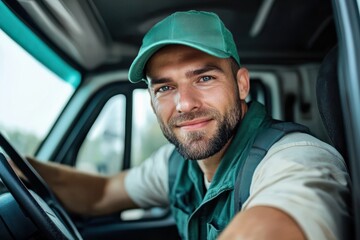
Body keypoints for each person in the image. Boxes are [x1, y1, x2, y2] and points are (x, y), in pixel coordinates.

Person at [24, 10, 351, 240]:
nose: (185, 104)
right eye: (165, 88)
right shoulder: (176, 164)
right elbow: (101, 194)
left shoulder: (296, 158)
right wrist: (18, 166)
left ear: (241, 85)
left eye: (204, 78)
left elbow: (279, 222)